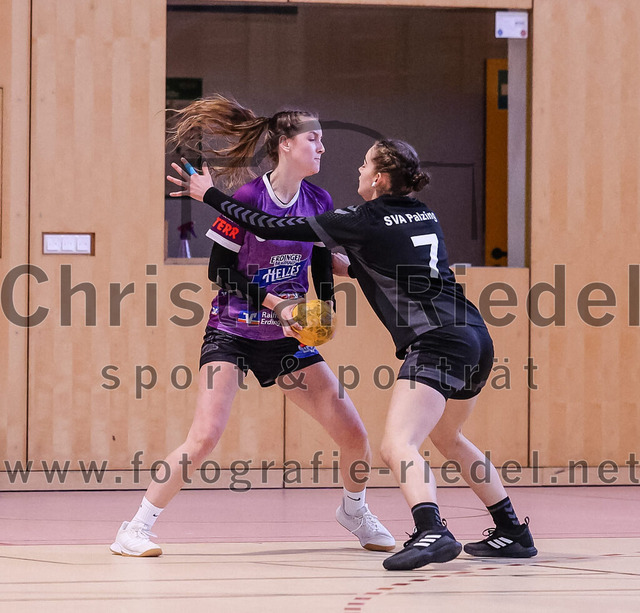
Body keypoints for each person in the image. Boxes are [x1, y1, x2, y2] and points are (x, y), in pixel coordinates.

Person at [168, 138, 538, 571]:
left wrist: (210, 195)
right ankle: (512, 530)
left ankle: (431, 530)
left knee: (398, 444)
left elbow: (268, 225)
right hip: (474, 336)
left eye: (364, 165)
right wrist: (333, 270)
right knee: (449, 438)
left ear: (379, 178)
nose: (358, 171)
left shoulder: (361, 219)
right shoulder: (424, 213)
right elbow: (380, 265)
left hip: (435, 340)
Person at [111, 95, 394, 557]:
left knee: (354, 434)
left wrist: (322, 309)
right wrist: (277, 304)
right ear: (286, 145)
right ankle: (134, 528)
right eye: (313, 139)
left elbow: (320, 262)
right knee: (205, 436)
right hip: (232, 332)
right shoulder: (247, 198)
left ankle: (355, 511)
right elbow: (219, 271)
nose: (322, 148)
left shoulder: (318, 200)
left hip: (285, 340)